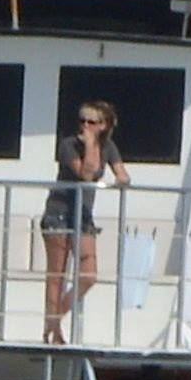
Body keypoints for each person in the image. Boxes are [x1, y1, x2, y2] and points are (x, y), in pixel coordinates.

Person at [41, 100, 131, 344]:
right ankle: (55, 332)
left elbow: (123, 175)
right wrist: (90, 144)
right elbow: (86, 173)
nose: (84, 126)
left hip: (83, 216)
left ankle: (53, 318)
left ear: (104, 125)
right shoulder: (69, 145)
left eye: (91, 122)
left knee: (88, 276)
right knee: (57, 275)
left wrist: (120, 180)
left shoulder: (108, 146)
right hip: (59, 213)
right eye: (82, 121)